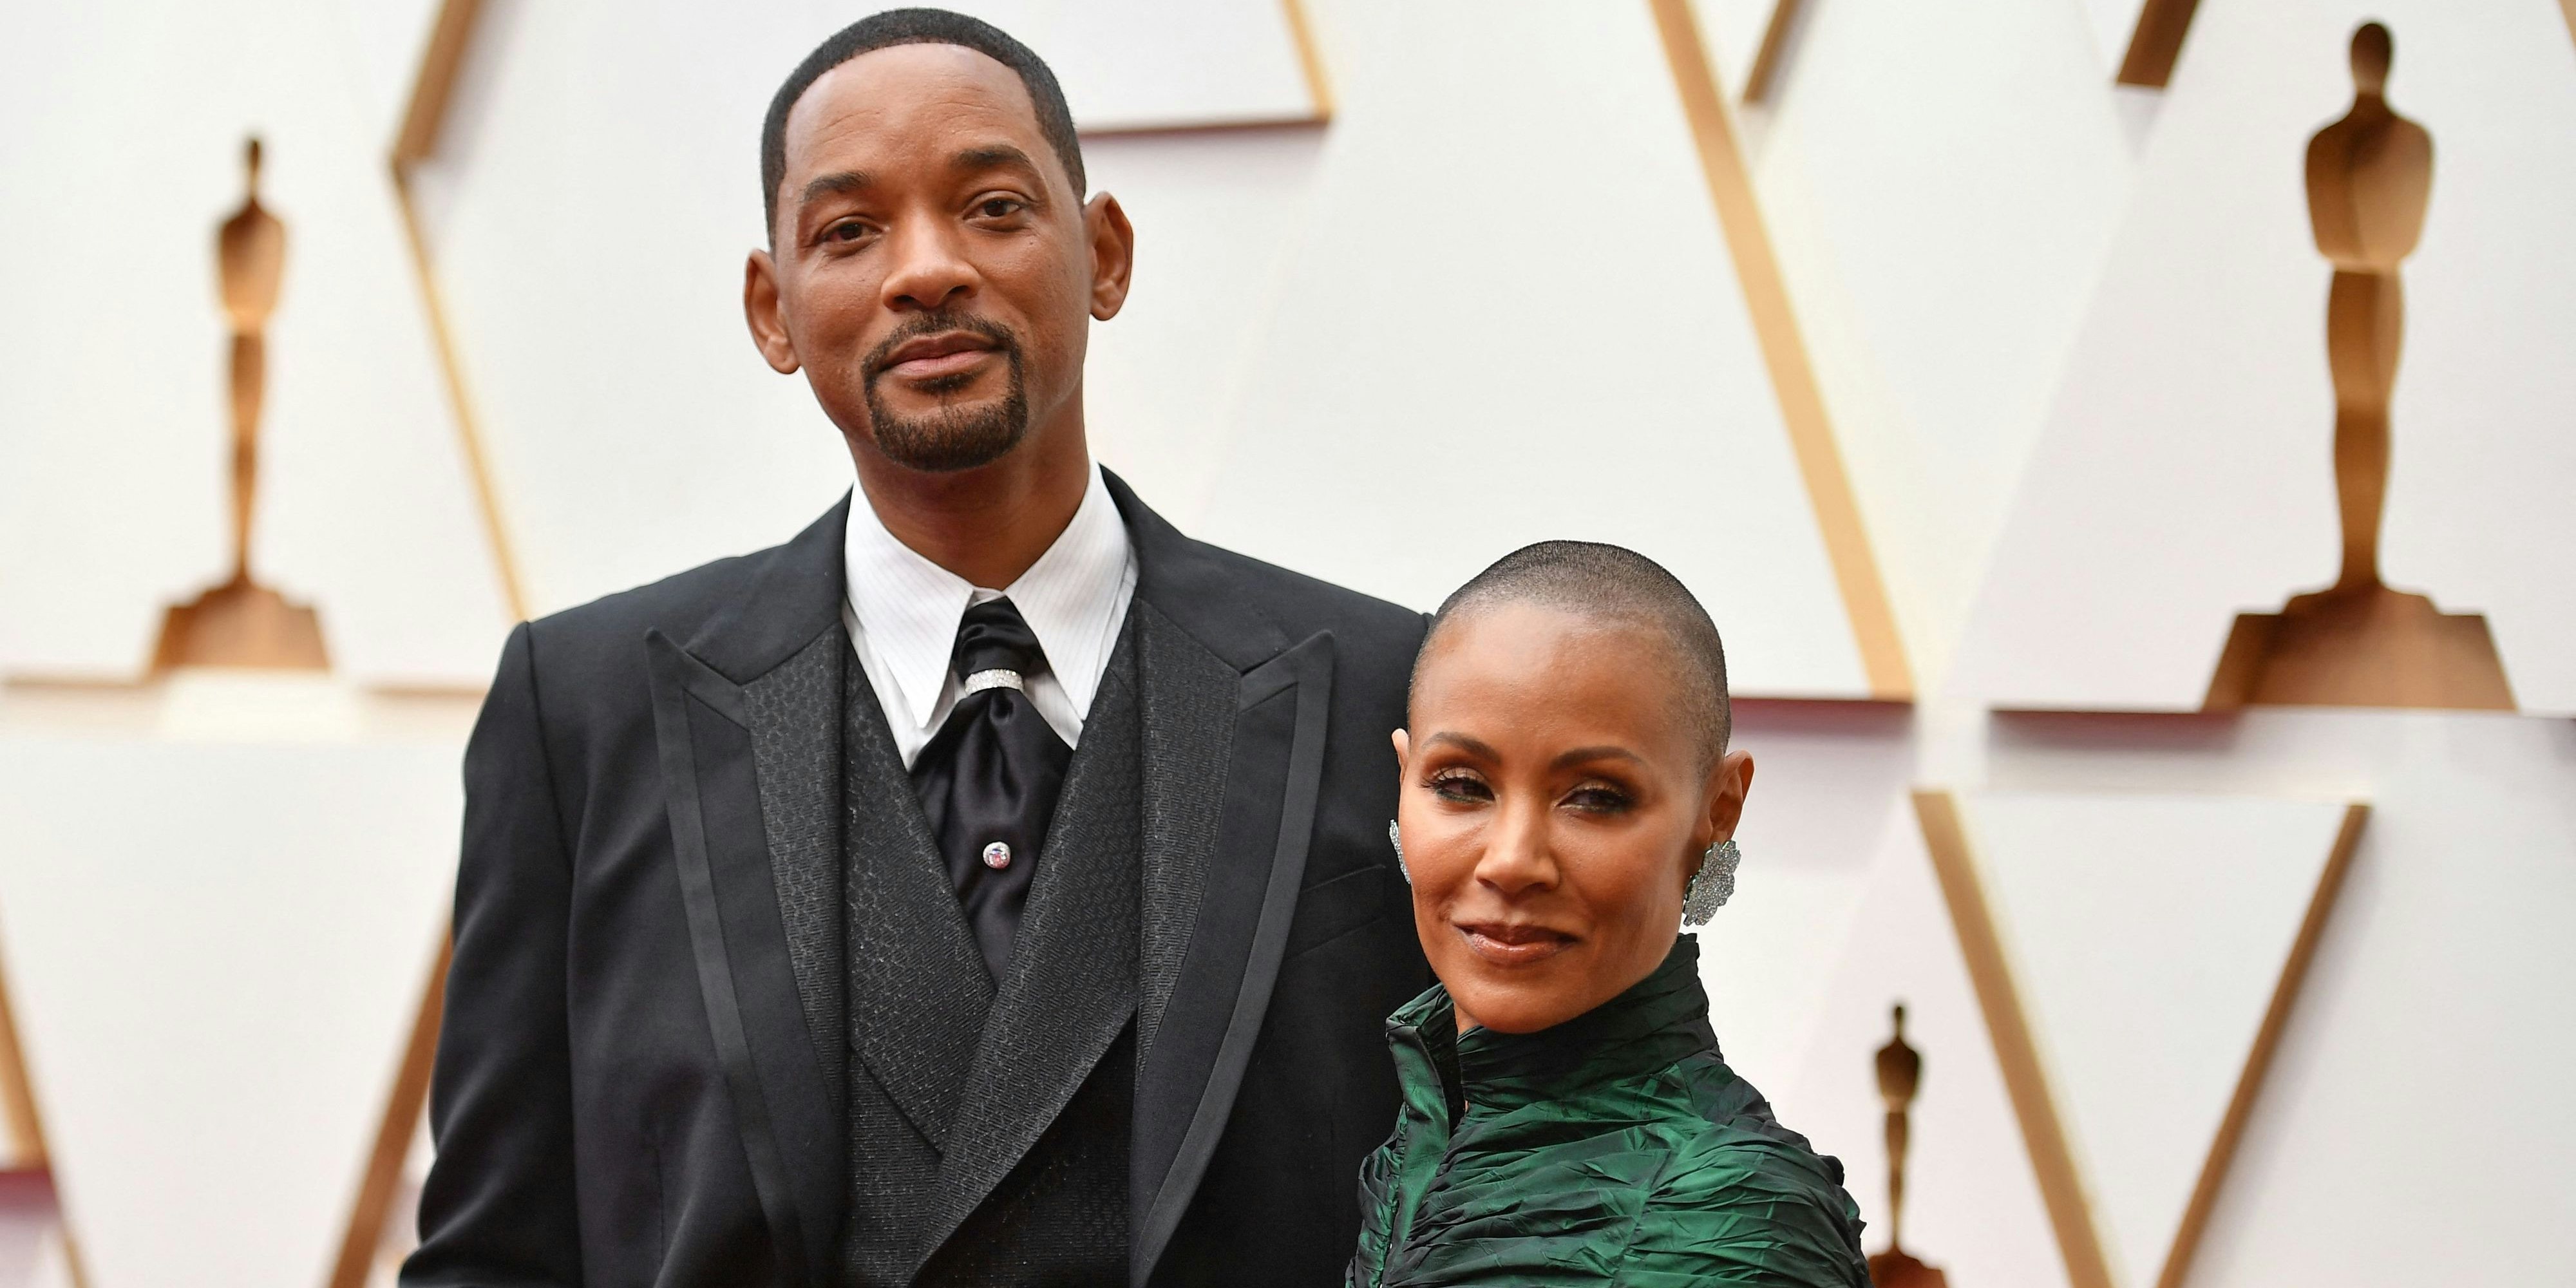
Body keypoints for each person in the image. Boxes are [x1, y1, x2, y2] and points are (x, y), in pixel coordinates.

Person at [403, 10, 1429, 1287]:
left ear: (1102, 255)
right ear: (771, 311)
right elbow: (496, 1250)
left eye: (992, 207)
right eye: (849, 230)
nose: (925, 269)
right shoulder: (583, 713)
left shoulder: (1385, 693)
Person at [1349, 542, 1870, 1287]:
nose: (1511, 859)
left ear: (1716, 811)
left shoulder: (1730, 1214)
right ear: (1404, 782)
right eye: (1461, 784)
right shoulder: (1418, 1141)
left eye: (1595, 796)